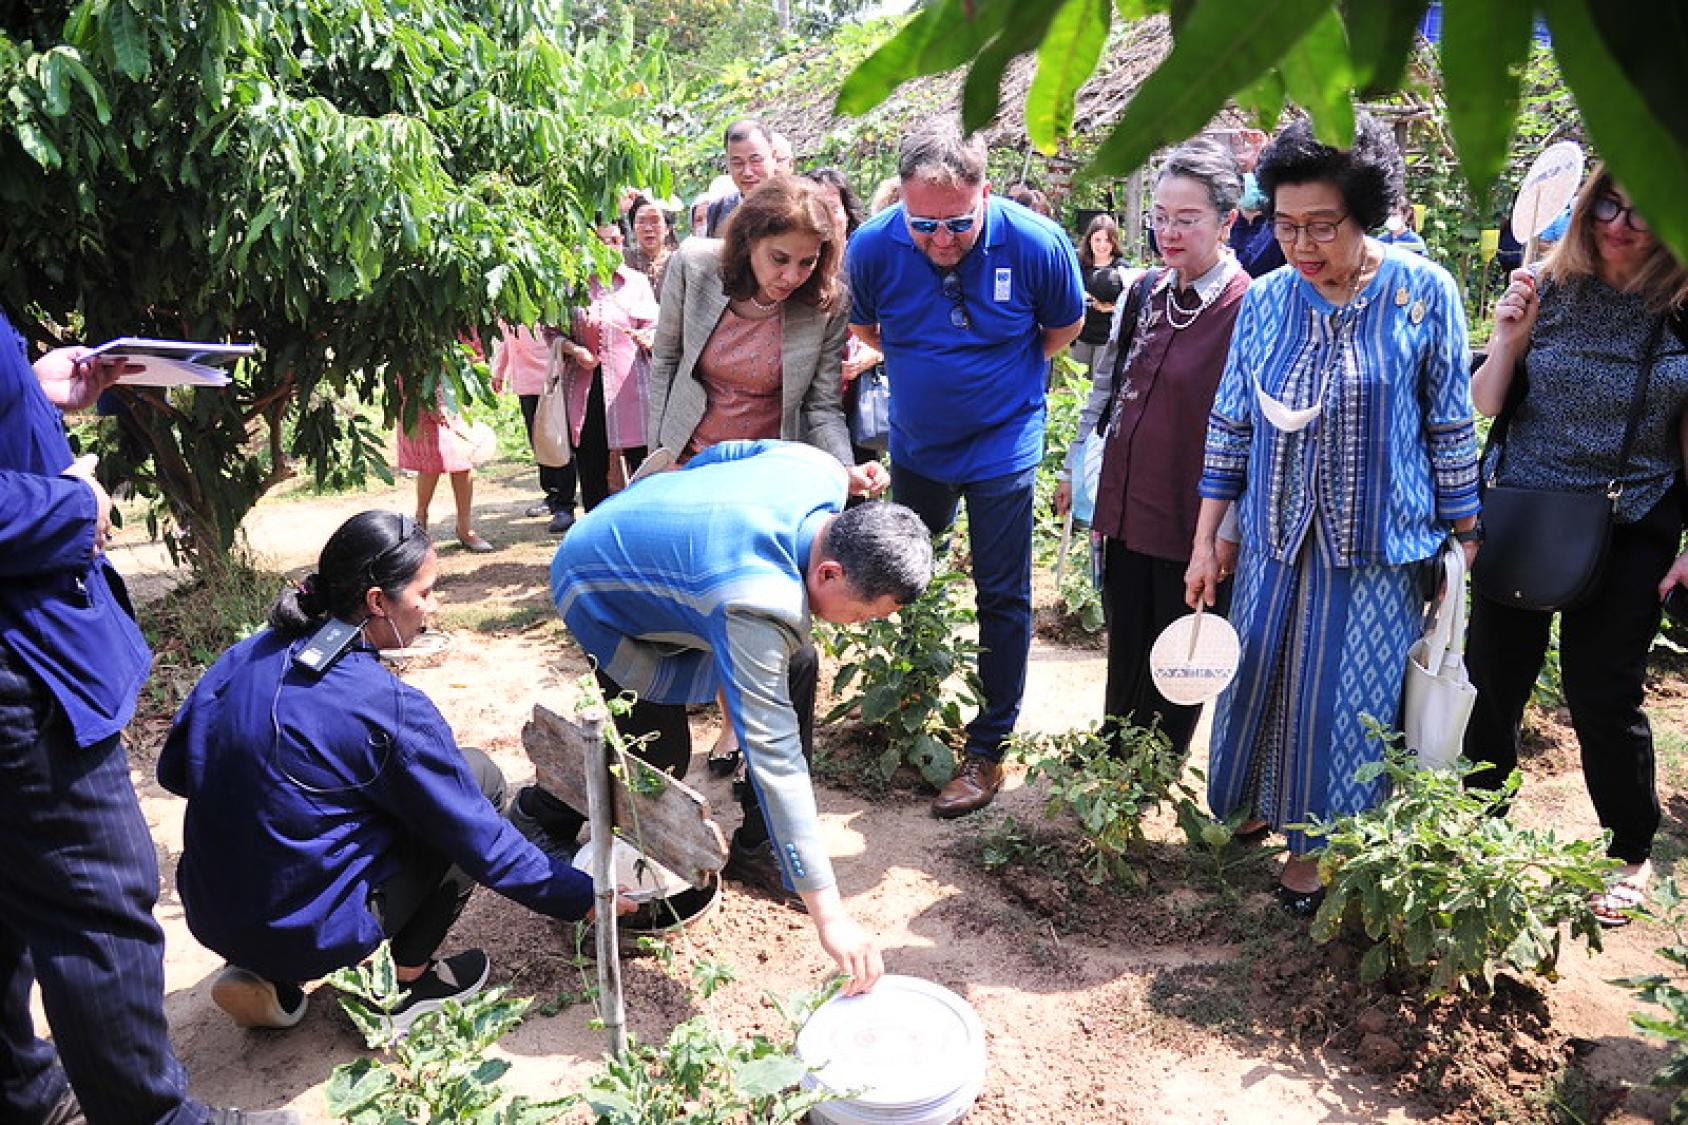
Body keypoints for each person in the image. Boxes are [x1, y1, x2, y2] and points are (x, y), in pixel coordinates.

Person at [158, 511, 625, 1035]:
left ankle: (263, 969)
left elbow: (175, 772)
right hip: (308, 929)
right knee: (478, 780)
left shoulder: (243, 656)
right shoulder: (387, 708)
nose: (433, 606)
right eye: (426, 592)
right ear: (379, 601)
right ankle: (405, 982)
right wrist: (585, 897)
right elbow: (483, 842)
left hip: (214, 911)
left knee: (314, 809)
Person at [1, 313, 298, 1123]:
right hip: (25, 661)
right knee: (94, 896)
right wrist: (67, 507)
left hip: (35, 641)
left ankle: (20, 1091)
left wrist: (27, 392)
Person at [1185, 115, 1480, 914]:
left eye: (1323, 226)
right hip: (1277, 538)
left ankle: (1318, 855)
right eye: (1285, 226)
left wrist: (1465, 540)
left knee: (1346, 704)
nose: (1302, 246)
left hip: (1380, 545)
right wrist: (1208, 538)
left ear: (1368, 213)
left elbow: (1449, 423)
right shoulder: (1270, 300)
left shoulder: (1425, 294)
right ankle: (1258, 809)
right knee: (1264, 682)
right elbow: (1231, 422)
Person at [539, 439, 934, 995]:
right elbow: (776, 756)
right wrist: (832, 918)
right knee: (658, 755)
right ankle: (541, 817)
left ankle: (757, 844)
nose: (865, 625)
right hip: (597, 578)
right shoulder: (755, 601)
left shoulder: (817, 469)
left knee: (799, 658)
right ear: (827, 572)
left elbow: (717, 459)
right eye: (867, 612)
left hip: (662, 540)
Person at [1463, 167, 1688, 924]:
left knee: (1603, 691)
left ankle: (1628, 851)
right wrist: (1507, 338)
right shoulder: (1543, 286)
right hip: (1526, 508)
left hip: (1634, 520)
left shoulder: (1684, 309)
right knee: (1493, 677)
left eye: (1642, 211)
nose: (1620, 225)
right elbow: (1488, 402)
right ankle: (1475, 827)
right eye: (1608, 206)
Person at [846, 120, 1085, 818]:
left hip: (1004, 440)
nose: (941, 240)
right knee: (904, 573)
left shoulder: (1037, 243)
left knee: (1001, 590)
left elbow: (1061, 329)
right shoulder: (872, 248)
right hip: (918, 442)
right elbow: (866, 331)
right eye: (924, 224)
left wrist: (994, 377)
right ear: (901, 203)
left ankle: (987, 746)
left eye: (957, 223)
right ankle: (910, 701)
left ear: (985, 194)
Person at [1054, 138, 1250, 759]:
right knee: (1127, 633)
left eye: (1187, 219)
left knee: (1183, 645)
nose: (1169, 230)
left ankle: (1157, 766)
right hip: (1127, 504)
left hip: (1195, 515)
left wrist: (1229, 531)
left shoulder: (1250, 305)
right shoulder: (1144, 292)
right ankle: (1116, 756)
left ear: (1227, 220)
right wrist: (1076, 465)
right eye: (1160, 216)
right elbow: (1106, 391)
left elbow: (1254, 431)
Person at [646, 175, 883, 494]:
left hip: (769, 473)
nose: (792, 276)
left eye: (807, 262)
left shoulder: (827, 305)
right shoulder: (694, 266)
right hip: (687, 462)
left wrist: (845, 466)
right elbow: (665, 363)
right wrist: (658, 459)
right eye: (779, 259)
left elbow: (822, 405)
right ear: (749, 241)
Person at [549, 223, 660, 517]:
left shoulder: (636, 282)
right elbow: (550, 331)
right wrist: (574, 349)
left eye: (614, 239)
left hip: (631, 385)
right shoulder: (570, 285)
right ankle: (596, 529)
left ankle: (645, 525)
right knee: (591, 462)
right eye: (600, 241)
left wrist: (648, 337)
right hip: (586, 387)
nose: (608, 246)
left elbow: (654, 325)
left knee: (642, 461)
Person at [396, 366, 495, 553]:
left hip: (449, 388)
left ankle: (465, 529)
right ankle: (421, 520)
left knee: (462, 459)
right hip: (418, 387)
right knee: (430, 461)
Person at [492, 323, 578, 529]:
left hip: (549, 378)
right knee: (538, 441)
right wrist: (499, 370)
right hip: (524, 381)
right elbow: (507, 339)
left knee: (557, 440)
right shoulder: (508, 304)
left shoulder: (542, 299)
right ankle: (552, 495)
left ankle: (565, 505)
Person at [1071, 214, 1127, 376]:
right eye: (1097, 240)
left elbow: (1132, 303)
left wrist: (1111, 308)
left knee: (1100, 385)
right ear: (1089, 240)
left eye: (1107, 240)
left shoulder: (1122, 268)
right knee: (1078, 384)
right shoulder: (1079, 265)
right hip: (1081, 334)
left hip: (1107, 338)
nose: (1102, 245)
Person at [706, 119, 778, 237]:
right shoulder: (719, 209)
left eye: (755, 160)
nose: (747, 172)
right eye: (738, 163)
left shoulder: (795, 205)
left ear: (774, 156)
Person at [624, 193, 677, 296]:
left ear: (667, 228)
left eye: (655, 221)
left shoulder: (678, 261)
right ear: (633, 228)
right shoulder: (624, 260)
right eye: (641, 221)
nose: (648, 228)